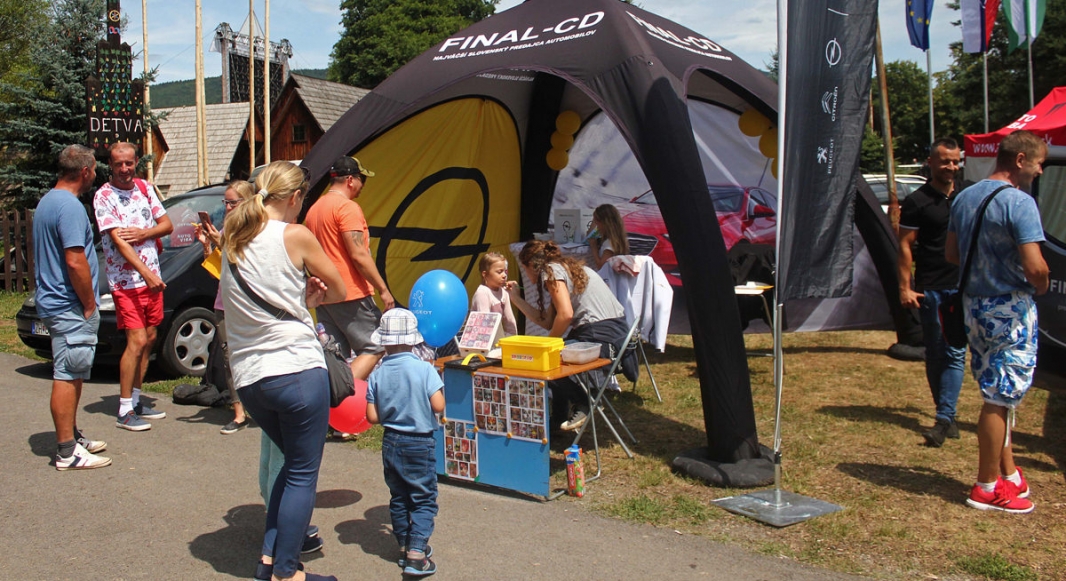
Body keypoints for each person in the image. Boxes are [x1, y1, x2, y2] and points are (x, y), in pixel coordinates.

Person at [220, 160, 345, 581]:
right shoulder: (295, 234)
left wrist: (299, 299)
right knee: (303, 474)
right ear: (294, 198)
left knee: (292, 467)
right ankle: (287, 572)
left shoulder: (233, 237)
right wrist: (312, 297)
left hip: (251, 379)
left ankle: (270, 560)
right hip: (296, 370)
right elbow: (339, 288)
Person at [946, 129, 1049, 514]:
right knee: (1000, 396)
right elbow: (1035, 266)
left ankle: (1008, 473)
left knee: (996, 392)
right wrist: (1040, 284)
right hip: (1009, 307)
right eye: (1039, 163)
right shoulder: (1019, 203)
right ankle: (986, 486)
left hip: (973, 305)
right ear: (1020, 160)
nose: (1040, 171)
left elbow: (952, 253)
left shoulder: (965, 196)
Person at [35, 145, 110, 470]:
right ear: (85, 171)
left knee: (73, 371)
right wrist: (90, 304)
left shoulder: (49, 201)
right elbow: (75, 260)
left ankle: (72, 436)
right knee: (67, 374)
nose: (95, 174)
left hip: (56, 302)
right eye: (94, 169)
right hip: (69, 306)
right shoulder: (70, 207)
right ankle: (67, 451)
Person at [507, 240, 635, 430]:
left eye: (524, 268)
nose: (525, 273)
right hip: (616, 334)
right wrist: (516, 298)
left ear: (532, 265)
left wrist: (548, 346)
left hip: (601, 336)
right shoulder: (565, 269)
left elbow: (565, 314)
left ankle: (583, 402)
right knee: (550, 357)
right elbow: (547, 321)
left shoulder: (552, 271)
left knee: (546, 361)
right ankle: (558, 420)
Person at [93, 142, 173, 431]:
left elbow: (167, 225)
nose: (125, 169)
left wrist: (144, 233)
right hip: (126, 281)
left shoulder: (144, 187)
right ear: (110, 166)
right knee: (136, 341)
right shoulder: (104, 196)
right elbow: (119, 242)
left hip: (151, 278)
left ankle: (136, 400)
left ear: (136, 161)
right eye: (118, 164)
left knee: (149, 338)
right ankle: (124, 409)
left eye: (129, 163)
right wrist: (146, 274)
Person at [366, 308, 445, 577]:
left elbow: (372, 416)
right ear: (413, 341)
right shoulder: (425, 369)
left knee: (399, 496)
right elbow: (438, 405)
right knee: (423, 499)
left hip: (390, 441)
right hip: (419, 442)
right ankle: (417, 553)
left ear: (384, 342)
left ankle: (403, 545)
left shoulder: (377, 374)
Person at [897, 138, 966, 447]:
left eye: (955, 161)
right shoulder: (918, 201)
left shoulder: (967, 195)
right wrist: (905, 287)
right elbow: (905, 245)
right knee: (936, 353)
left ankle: (944, 418)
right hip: (931, 287)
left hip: (961, 286)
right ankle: (946, 413)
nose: (951, 167)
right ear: (931, 162)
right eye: (945, 161)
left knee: (955, 352)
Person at [304, 156, 395, 380]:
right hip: (351, 293)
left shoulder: (314, 209)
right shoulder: (347, 208)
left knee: (337, 357)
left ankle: (337, 399)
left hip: (325, 296)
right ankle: (346, 393)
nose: (362, 186)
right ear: (350, 180)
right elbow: (358, 254)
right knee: (376, 345)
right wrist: (383, 289)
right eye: (362, 179)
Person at [196, 180, 252, 435]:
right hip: (224, 303)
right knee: (230, 358)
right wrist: (207, 245)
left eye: (233, 203)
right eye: (225, 202)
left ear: (247, 202)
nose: (228, 208)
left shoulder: (256, 230)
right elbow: (218, 272)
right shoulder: (225, 229)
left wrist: (219, 242)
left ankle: (259, 405)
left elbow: (244, 262)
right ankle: (239, 412)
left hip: (248, 303)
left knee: (253, 354)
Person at [470, 252, 518, 338]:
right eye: (499, 272)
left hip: (496, 337)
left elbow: (510, 321)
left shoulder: (504, 292)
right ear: (485, 274)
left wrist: (513, 339)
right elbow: (484, 324)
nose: (504, 275)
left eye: (505, 271)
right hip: (482, 339)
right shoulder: (482, 293)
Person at [587, 204, 630, 270]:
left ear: (605, 223)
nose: (597, 228)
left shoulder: (610, 243)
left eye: (598, 224)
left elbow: (601, 266)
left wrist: (593, 247)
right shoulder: (617, 239)